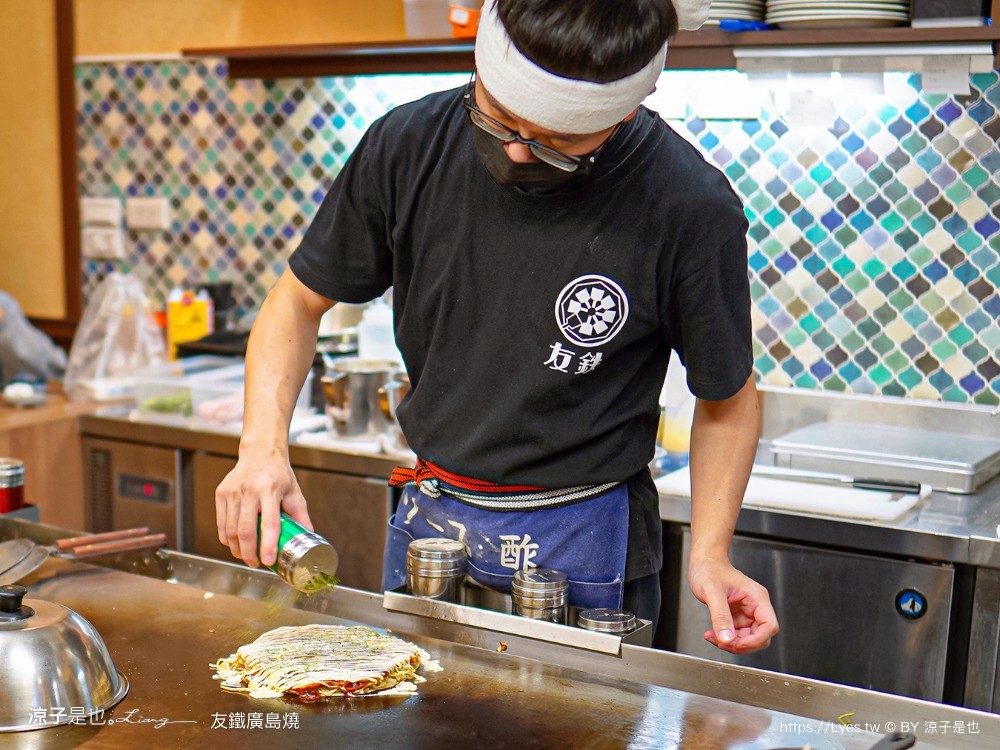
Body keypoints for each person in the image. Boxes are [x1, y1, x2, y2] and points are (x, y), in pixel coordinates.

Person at [217, 0, 779, 655]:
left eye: (556, 143)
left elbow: (728, 398)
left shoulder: (687, 206)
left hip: (589, 536)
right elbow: (295, 302)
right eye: (497, 116)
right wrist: (261, 449)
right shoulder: (407, 145)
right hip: (432, 520)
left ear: (625, 110)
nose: (514, 150)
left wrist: (711, 551)